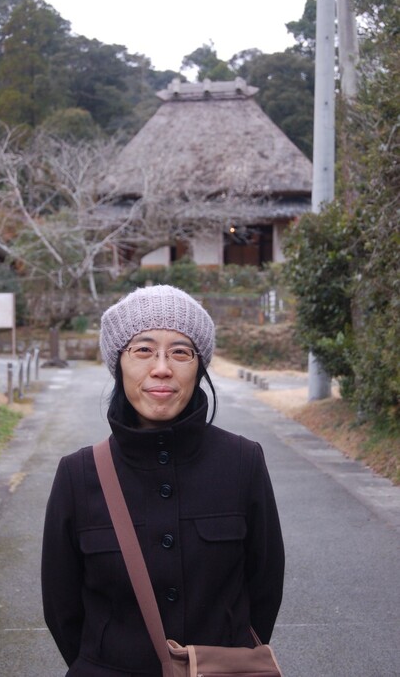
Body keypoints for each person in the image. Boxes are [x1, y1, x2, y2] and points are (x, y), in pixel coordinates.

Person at [41, 284, 284, 677]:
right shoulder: (77, 474)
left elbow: (265, 587)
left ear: (199, 366)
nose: (162, 367)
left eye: (180, 352)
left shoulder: (243, 462)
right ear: (118, 362)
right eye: (143, 349)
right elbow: (61, 607)